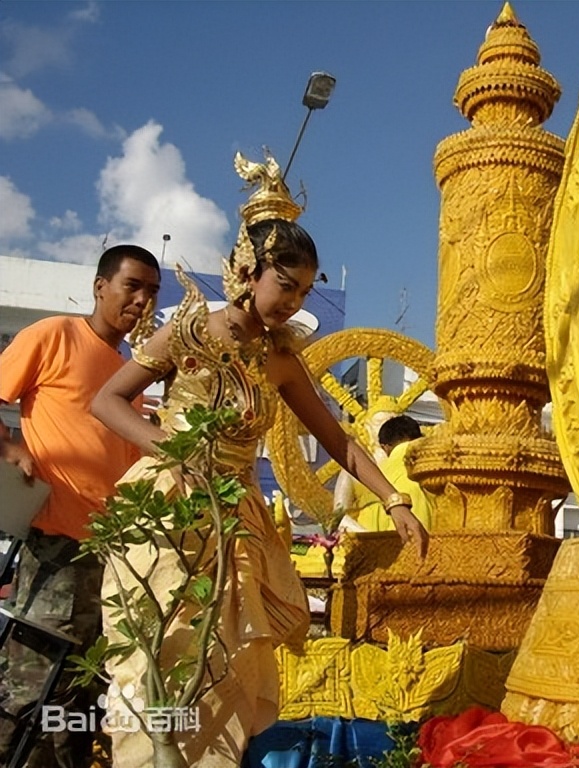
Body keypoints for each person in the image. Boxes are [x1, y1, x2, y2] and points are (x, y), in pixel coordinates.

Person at [90, 153, 428, 767]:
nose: (294, 300)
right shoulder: (188, 332)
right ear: (248, 272)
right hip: (169, 508)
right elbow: (107, 400)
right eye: (286, 285)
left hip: (237, 519)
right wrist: (171, 452)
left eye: (304, 289)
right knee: (161, 650)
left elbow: (341, 441)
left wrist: (394, 498)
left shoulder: (280, 360)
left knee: (225, 659)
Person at [0, 244, 161, 768]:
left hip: (112, 558)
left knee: (79, 693)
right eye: (132, 285)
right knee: (29, 686)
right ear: (100, 287)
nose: (142, 299)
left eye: (152, 291)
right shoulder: (53, 336)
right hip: (53, 544)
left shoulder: (129, 378)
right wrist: (10, 447)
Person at [345, 414, 434, 532]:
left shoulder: (375, 475)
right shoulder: (437, 465)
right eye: (376, 423)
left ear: (384, 447)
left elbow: (338, 516)